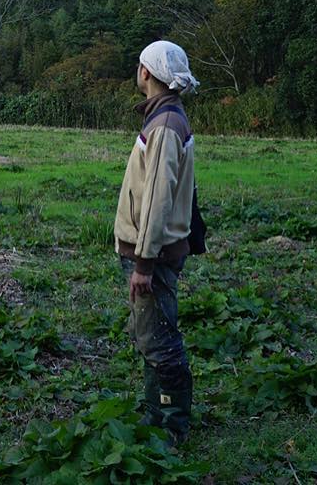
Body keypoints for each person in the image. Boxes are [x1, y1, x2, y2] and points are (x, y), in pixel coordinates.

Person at [114, 40, 199, 445]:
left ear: (146, 73)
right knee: (150, 334)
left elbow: (158, 197)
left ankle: (172, 424)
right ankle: (156, 411)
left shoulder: (164, 124)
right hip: (157, 251)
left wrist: (143, 264)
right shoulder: (166, 117)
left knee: (160, 338)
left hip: (156, 254)